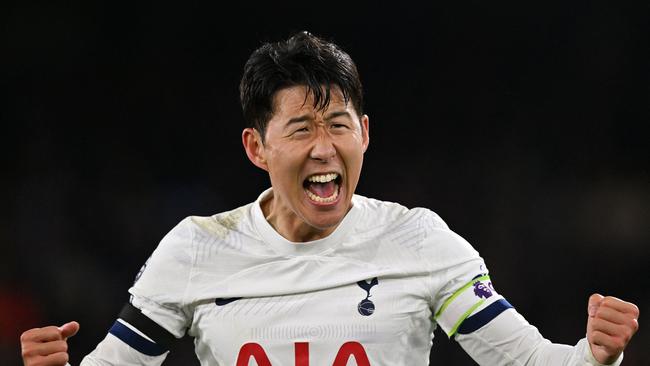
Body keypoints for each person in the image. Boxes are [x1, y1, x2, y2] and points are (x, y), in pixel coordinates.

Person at [21, 31, 639, 366]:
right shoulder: (195, 250)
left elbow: (530, 363)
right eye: (300, 129)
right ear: (256, 147)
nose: (324, 148)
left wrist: (597, 355)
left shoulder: (419, 241)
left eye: (339, 124)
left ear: (364, 134)